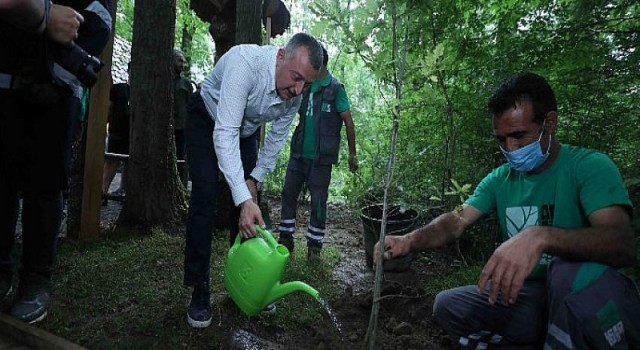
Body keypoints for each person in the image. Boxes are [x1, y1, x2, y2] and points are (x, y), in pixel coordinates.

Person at [375, 73, 640, 348]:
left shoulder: (589, 167)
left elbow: (621, 244)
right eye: (501, 139)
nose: (510, 148)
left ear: (550, 123)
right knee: (449, 305)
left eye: (518, 135)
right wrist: (409, 240)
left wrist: (541, 236)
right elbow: (455, 221)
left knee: (565, 274)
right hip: (534, 298)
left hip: (590, 296)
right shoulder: (501, 179)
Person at [183, 33, 323, 328]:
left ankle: (246, 282)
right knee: (205, 197)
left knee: (249, 210)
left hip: (245, 131)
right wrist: (242, 195)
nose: (298, 90)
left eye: (306, 84)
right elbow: (224, 134)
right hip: (206, 120)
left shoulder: (294, 93)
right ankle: (199, 288)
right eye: (296, 78)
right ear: (281, 55)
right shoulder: (244, 63)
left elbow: (275, 139)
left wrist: (253, 182)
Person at [1, 0, 111, 323]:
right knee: (2, 177)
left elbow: (99, 23)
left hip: (55, 95)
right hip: (7, 84)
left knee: (46, 184)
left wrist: (57, 76)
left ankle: (36, 280)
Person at [277, 46, 358, 261]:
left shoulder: (335, 88)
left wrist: (353, 154)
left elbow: (349, 122)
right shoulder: (305, 85)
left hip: (322, 158)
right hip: (298, 153)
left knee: (318, 201)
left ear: (322, 65)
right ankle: (285, 237)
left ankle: (314, 246)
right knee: (288, 194)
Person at [102, 63, 131, 201]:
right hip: (117, 131)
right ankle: (103, 193)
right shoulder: (119, 89)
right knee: (111, 161)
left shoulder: (144, 93)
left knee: (129, 162)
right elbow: (109, 107)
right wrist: (106, 124)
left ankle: (123, 190)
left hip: (133, 134)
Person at [173, 50, 192, 184]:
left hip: (181, 129)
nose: (182, 64)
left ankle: (181, 186)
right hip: (164, 128)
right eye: (179, 60)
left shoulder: (186, 84)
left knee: (180, 159)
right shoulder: (161, 81)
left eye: (183, 61)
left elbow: (191, 106)